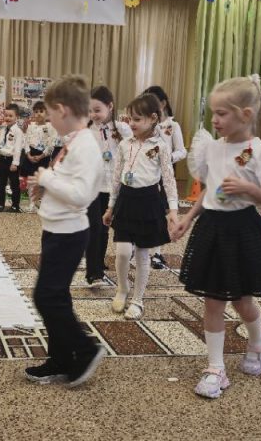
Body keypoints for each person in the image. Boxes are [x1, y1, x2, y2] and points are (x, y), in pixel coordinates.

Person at [171, 74, 261, 399]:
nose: (215, 120)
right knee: (212, 299)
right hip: (211, 228)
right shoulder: (212, 147)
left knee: (242, 301)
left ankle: (258, 340)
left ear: (246, 115)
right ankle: (215, 368)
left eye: (222, 113)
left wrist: (250, 189)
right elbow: (212, 189)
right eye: (214, 113)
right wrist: (188, 218)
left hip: (242, 230)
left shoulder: (260, 151)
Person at [24, 75, 106, 387]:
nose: (48, 120)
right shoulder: (75, 141)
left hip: (69, 234)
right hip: (57, 229)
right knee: (56, 296)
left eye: (49, 114)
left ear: (62, 110)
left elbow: (82, 195)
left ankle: (85, 350)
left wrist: (46, 179)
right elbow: (67, 182)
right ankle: (61, 359)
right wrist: (45, 186)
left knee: (46, 297)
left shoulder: (85, 146)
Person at [103, 95, 178, 320]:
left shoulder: (161, 146)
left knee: (143, 254)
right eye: (129, 119)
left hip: (148, 202)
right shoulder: (125, 144)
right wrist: (110, 207)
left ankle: (137, 299)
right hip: (126, 200)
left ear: (153, 118)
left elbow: (169, 180)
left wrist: (173, 210)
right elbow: (116, 177)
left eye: (137, 119)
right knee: (123, 252)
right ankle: (122, 288)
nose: (131, 123)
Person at [84, 86, 131, 287]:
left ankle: (99, 263)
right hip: (93, 187)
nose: (93, 115)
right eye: (90, 110)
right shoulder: (86, 131)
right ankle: (93, 273)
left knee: (105, 228)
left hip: (114, 188)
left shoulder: (122, 129)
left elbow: (132, 154)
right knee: (93, 228)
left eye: (97, 110)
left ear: (110, 107)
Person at [141, 86, 187, 269]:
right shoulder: (144, 123)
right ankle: (138, 248)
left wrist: (166, 158)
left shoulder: (172, 126)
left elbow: (182, 151)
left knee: (160, 214)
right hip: (144, 173)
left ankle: (156, 253)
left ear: (163, 103)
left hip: (163, 175)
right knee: (142, 212)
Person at [19, 101, 55, 212]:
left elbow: (51, 144)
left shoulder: (50, 127)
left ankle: (42, 203)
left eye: (41, 111)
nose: (38, 114)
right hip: (31, 154)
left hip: (43, 156)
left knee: (41, 181)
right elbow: (26, 141)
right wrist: (28, 154)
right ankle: (31, 204)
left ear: (47, 113)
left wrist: (41, 156)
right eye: (36, 111)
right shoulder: (31, 126)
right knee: (31, 181)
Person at [0, 104, 24, 212]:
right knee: (1, 184)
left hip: (12, 160)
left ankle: (15, 206)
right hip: (2, 159)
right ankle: (0, 205)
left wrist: (15, 163)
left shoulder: (18, 131)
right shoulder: (3, 129)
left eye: (11, 116)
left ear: (16, 117)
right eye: (6, 115)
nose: (8, 118)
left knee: (14, 184)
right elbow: (0, 146)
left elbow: (18, 149)